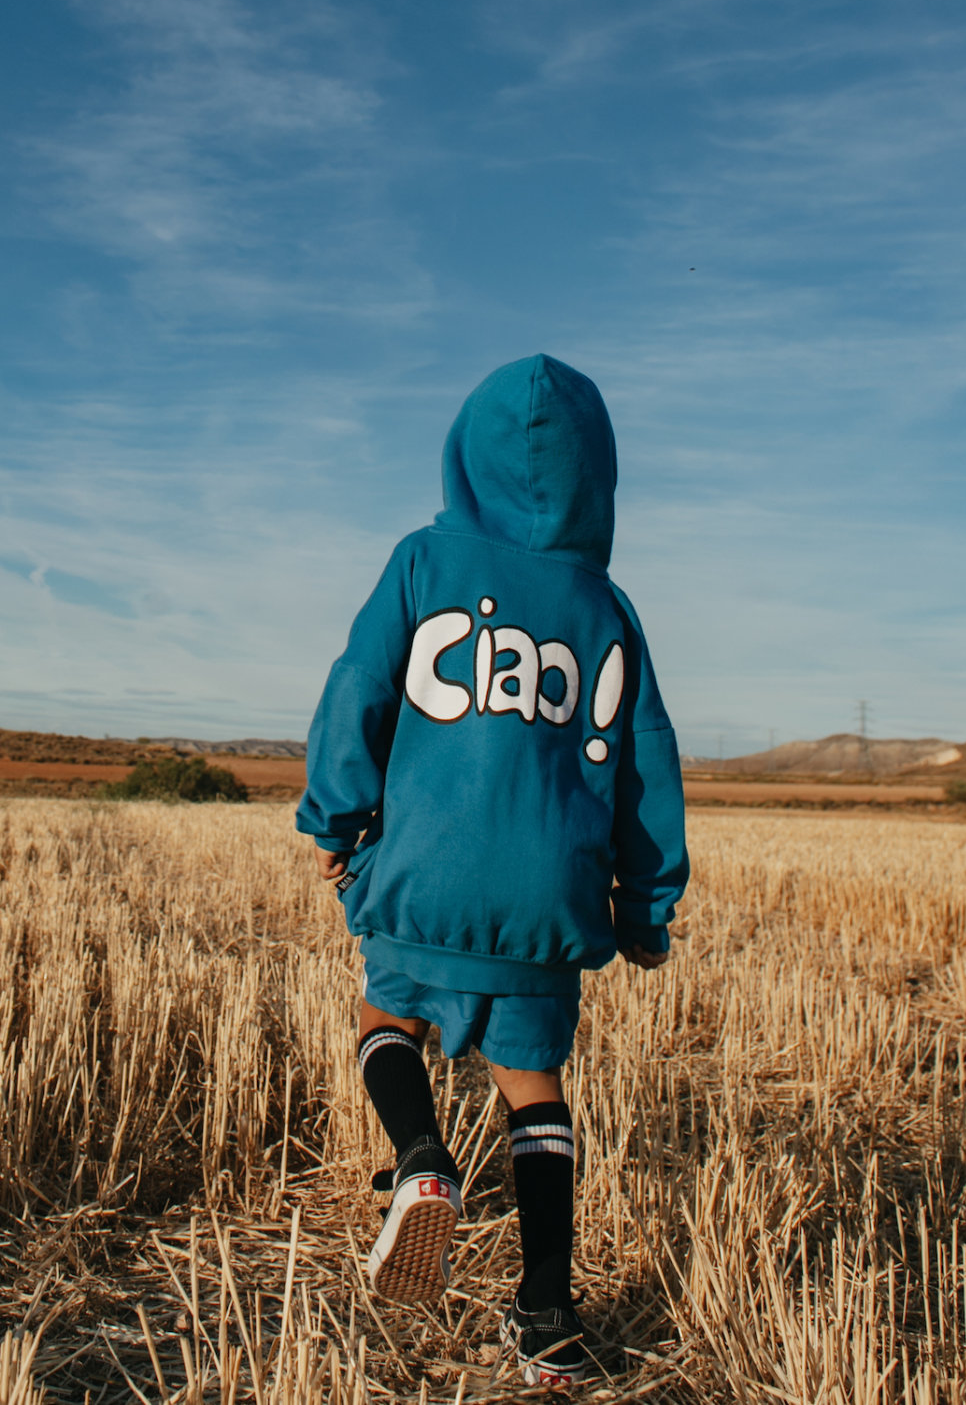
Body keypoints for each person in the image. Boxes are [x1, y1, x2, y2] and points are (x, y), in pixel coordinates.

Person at [296, 354, 688, 1386]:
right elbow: (648, 763)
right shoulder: (604, 607)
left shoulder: (424, 562)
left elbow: (358, 690)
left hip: (424, 874)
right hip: (545, 899)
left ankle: (421, 1158)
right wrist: (644, 906)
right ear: (598, 475)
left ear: (463, 456)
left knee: (390, 1022)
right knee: (535, 1093)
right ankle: (548, 1315)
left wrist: (334, 820)